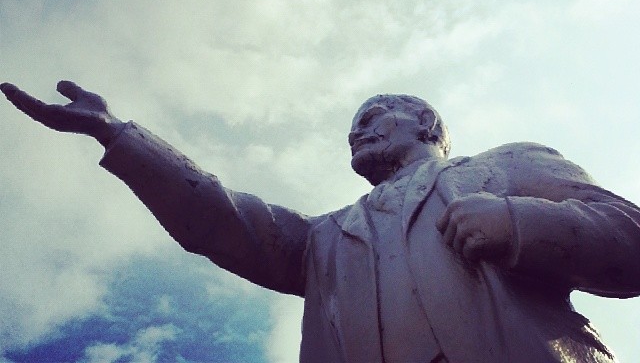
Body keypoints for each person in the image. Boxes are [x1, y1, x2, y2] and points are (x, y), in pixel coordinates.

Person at [2, 80, 640, 362]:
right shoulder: (323, 240)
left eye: (372, 116)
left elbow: (629, 237)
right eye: (352, 127)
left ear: (426, 123)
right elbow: (220, 218)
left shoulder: (503, 167)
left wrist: (519, 223)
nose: (355, 131)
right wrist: (116, 134)